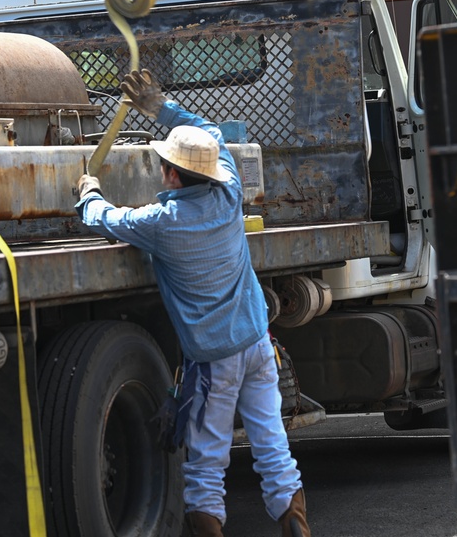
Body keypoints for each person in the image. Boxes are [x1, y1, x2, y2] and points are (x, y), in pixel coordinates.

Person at [75, 69, 311, 537]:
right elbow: (211, 133)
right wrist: (159, 107)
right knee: (272, 444)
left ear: (168, 173)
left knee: (206, 462)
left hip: (214, 362)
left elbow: (106, 219)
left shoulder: (161, 222)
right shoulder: (228, 193)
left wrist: (88, 192)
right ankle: (295, 524)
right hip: (258, 345)